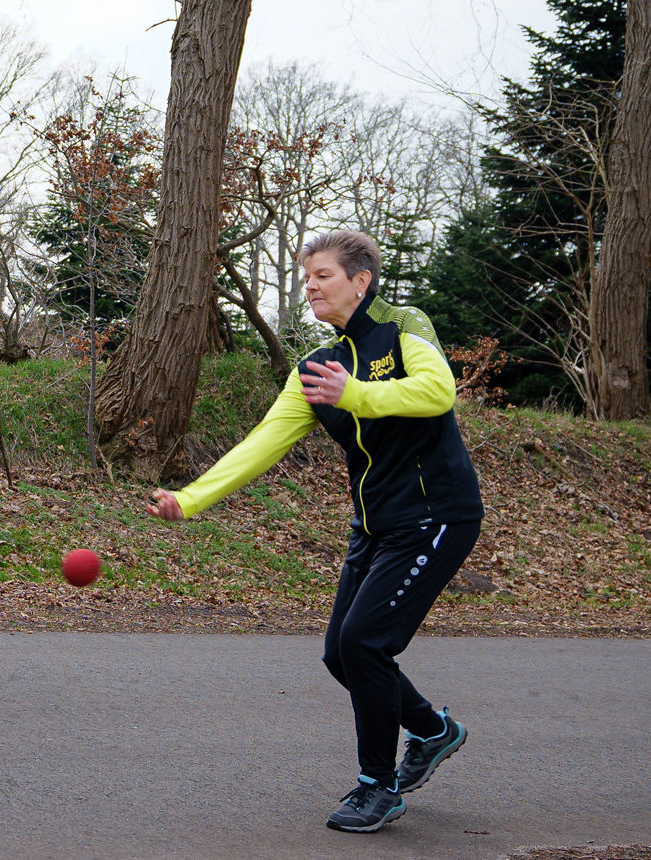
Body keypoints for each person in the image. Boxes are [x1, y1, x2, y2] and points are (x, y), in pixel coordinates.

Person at [146, 230, 484, 833]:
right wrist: (190, 498)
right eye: (306, 278)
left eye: (323, 275)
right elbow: (263, 442)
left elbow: (438, 392)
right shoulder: (316, 367)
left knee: (365, 645)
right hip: (375, 525)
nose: (311, 286)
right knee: (339, 654)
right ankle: (433, 731)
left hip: (436, 516)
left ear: (361, 280)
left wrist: (356, 394)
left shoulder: (403, 327)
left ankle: (378, 786)